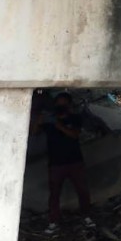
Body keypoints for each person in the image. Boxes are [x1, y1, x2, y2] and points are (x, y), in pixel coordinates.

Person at [38, 91, 92, 226]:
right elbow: (34, 132)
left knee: (83, 190)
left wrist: (59, 125)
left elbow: (75, 135)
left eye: (63, 103)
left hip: (75, 162)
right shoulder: (49, 121)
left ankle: (86, 216)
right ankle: (53, 221)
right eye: (58, 103)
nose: (60, 106)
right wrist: (38, 121)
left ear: (69, 105)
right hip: (56, 164)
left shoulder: (75, 119)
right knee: (55, 194)